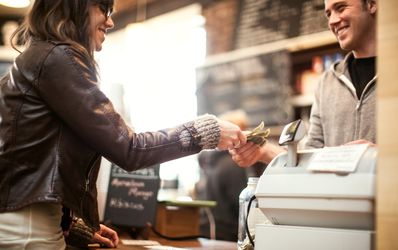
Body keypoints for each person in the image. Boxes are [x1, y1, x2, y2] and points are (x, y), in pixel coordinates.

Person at [0, 0, 247, 249]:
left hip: (27, 223)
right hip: (28, 229)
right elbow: (129, 149)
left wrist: (69, 226)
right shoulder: (58, 57)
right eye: (103, 9)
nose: (110, 21)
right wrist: (205, 132)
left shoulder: (41, 57)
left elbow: (32, 158)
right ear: (75, 5)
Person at [230, 0, 377, 167]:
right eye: (328, 14)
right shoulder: (327, 82)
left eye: (341, 8)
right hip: (335, 194)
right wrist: (263, 151)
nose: (332, 21)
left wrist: (381, 155)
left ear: (372, 4)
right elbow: (311, 157)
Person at [196, 110, 265, 241]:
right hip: (228, 235)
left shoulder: (210, 161)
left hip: (206, 231)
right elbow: (243, 205)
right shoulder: (234, 164)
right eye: (244, 130)